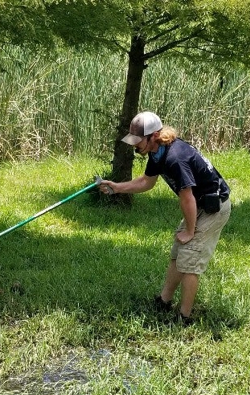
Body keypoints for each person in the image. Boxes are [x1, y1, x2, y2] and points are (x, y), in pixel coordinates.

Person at [99, 111, 231, 324]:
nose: (135, 146)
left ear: (154, 136)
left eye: (138, 141)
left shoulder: (174, 157)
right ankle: (164, 300)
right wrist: (116, 188)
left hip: (213, 208)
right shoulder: (157, 153)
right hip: (198, 205)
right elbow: (146, 182)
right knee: (178, 253)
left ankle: (184, 317)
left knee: (190, 260)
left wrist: (190, 231)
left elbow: (186, 197)